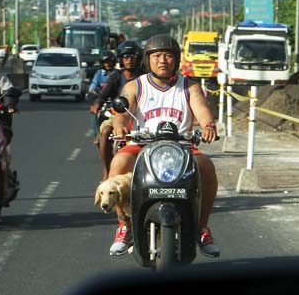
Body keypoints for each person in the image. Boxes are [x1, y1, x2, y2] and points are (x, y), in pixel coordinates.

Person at [108, 34, 220, 258]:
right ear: (147, 60)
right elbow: (121, 112)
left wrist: (208, 125)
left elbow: (202, 110)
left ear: (176, 60)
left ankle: (202, 228)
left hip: (181, 148)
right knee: (119, 162)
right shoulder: (135, 86)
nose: (162, 61)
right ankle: (124, 226)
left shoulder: (190, 87)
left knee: (206, 166)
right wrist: (119, 126)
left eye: (168, 56)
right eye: (156, 56)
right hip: (141, 146)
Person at [89, 41, 145, 182]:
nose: (129, 60)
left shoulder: (145, 77)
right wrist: (97, 103)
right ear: (120, 59)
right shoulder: (115, 76)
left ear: (138, 59)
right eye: (125, 57)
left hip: (141, 115)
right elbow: (103, 95)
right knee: (106, 131)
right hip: (118, 114)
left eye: (132, 57)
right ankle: (107, 171)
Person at [88, 50, 119, 146]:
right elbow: (92, 88)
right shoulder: (98, 74)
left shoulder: (118, 74)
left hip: (117, 102)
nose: (107, 64)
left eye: (109, 61)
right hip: (103, 102)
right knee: (94, 111)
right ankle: (97, 134)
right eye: (105, 62)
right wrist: (95, 93)